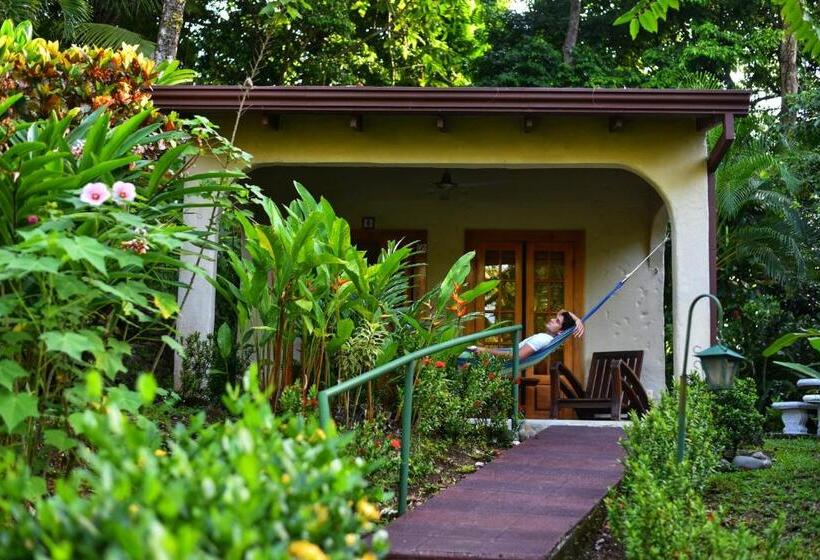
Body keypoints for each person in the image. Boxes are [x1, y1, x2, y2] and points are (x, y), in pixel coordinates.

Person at [468, 310, 584, 360]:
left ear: (560, 332)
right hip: (495, 359)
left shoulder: (542, 339)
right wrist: (577, 319)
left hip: (495, 362)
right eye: (555, 318)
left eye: (557, 321)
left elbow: (516, 356)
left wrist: (484, 350)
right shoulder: (550, 339)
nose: (553, 319)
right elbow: (563, 311)